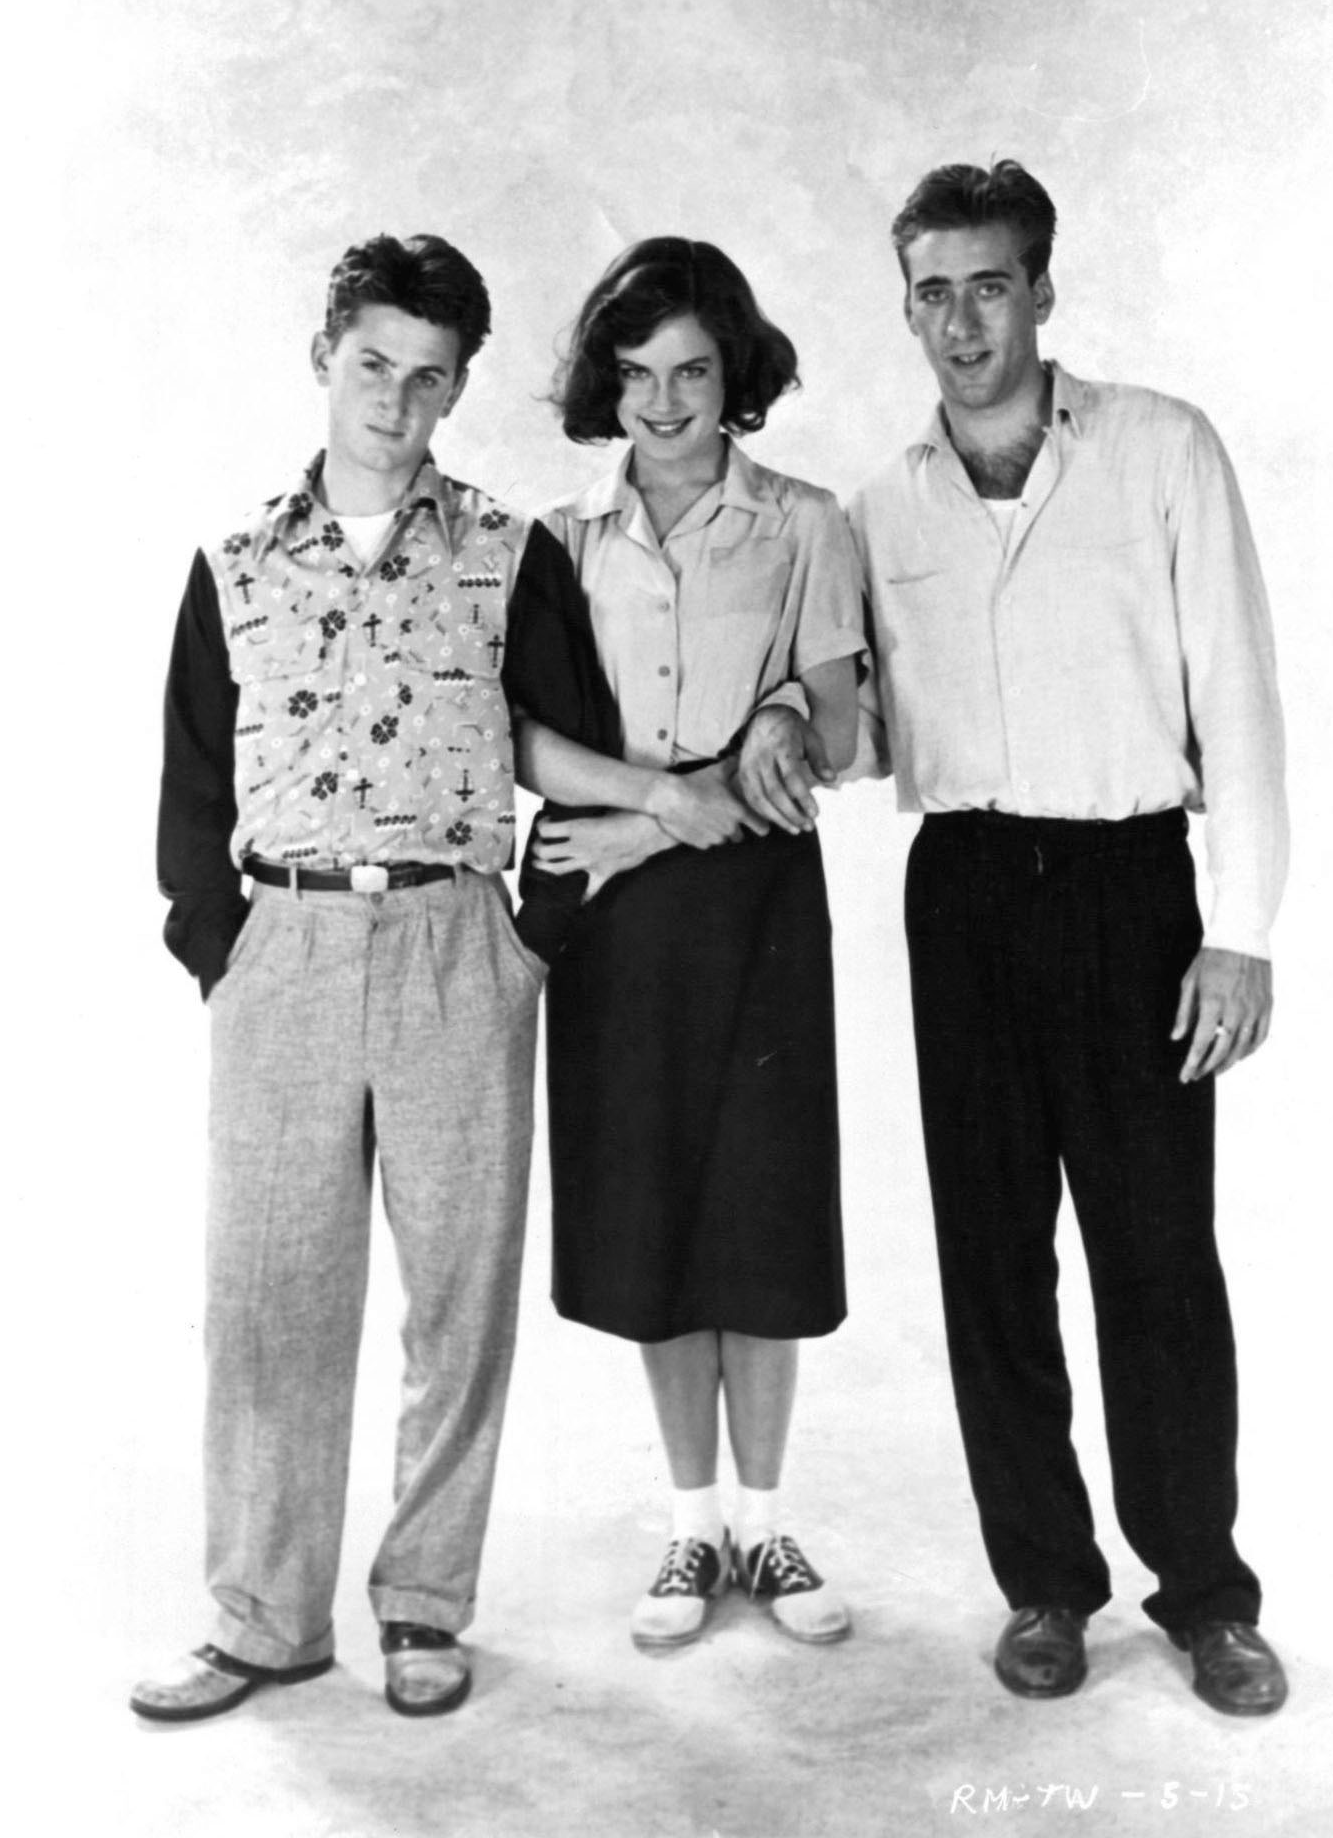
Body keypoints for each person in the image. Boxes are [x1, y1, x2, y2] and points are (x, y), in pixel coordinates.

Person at [739, 162, 1290, 1716]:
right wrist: (790, 706)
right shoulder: (879, 507)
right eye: (933, 291)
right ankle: (1046, 1584)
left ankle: (1206, 1595)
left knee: (1157, 1259)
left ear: (1042, 290)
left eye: (990, 285)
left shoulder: (1165, 453)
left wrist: (1237, 933)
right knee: (992, 1257)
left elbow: (1240, 700)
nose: (962, 321)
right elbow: (850, 720)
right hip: (965, 892)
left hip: (1130, 892)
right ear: (904, 304)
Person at [135, 233, 614, 1724]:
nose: (396, 402)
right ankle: (264, 1617)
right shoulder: (233, 566)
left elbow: (582, 768)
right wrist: (224, 944)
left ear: (458, 387)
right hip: (280, 952)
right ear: (324, 358)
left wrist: (526, 939)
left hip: (452, 948)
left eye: (429, 377)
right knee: (269, 1298)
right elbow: (191, 791)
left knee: (457, 1297)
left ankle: (422, 1605)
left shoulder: (507, 551)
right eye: (373, 366)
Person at [515, 237, 865, 1650]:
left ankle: (767, 1527)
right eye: (637, 373)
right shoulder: (559, 539)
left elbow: (833, 734)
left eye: (694, 372)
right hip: (616, 918)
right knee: (654, 1214)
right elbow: (530, 740)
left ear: (738, 377)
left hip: (760, 896)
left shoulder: (804, 525)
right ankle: (689, 1532)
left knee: (761, 1215)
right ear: (608, 382)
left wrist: (669, 813)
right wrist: (657, 797)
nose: (664, 402)